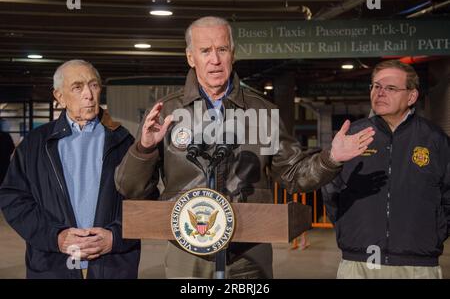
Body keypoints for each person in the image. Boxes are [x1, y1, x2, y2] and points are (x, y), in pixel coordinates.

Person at [114, 16, 374, 279]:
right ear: (191, 57)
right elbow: (129, 187)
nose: (215, 60)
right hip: (187, 250)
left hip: (249, 250)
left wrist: (331, 158)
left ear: (233, 54)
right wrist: (144, 149)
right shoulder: (166, 111)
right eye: (205, 51)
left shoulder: (262, 110)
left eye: (222, 49)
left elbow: (293, 174)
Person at [0, 60, 143, 279]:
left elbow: (143, 198)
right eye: (77, 87)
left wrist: (116, 236)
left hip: (112, 266)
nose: (88, 94)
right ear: (59, 97)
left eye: (93, 85)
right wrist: (54, 236)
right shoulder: (34, 145)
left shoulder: (123, 141)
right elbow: (13, 199)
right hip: (52, 266)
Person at [322, 60, 450, 279]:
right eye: (376, 86)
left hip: (417, 265)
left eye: (390, 88)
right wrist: (350, 228)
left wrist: (434, 235)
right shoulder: (352, 136)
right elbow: (331, 191)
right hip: (358, 263)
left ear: (412, 96)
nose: (380, 92)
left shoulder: (435, 140)